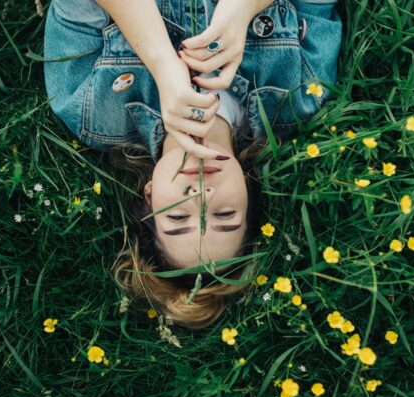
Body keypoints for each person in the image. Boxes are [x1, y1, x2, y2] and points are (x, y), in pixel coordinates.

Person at [44, 0, 341, 328]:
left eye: (178, 216)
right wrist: (244, 9)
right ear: (248, 189)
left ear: (149, 195)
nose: (201, 194)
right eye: (224, 215)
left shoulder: (94, 112)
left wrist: (160, 62)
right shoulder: (298, 96)